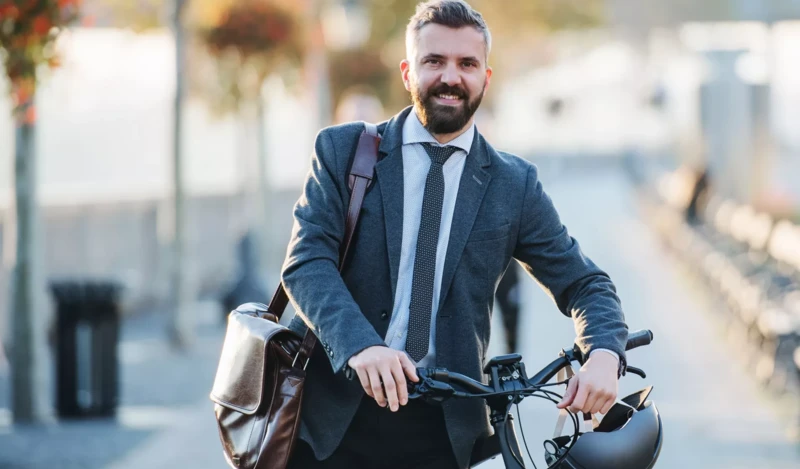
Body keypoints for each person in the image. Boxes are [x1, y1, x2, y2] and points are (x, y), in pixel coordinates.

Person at [281, 1, 629, 468]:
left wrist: (604, 354)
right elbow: (306, 262)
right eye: (434, 62)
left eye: (467, 64)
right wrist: (361, 346)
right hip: (331, 421)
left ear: (486, 77)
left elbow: (585, 283)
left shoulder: (513, 184)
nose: (451, 77)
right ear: (408, 73)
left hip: (444, 435)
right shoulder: (343, 150)